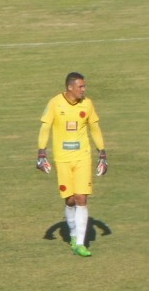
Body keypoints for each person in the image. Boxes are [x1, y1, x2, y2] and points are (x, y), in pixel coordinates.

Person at [36, 72, 107, 257]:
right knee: (70, 200)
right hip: (62, 159)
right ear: (70, 87)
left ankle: (79, 242)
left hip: (83, 157)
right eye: (81, 87)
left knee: (82, 199)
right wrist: (41, 152)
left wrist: (102, 153)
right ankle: (74, 234)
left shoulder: (87, 104)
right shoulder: (55, 103)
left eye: (84, 86)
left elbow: (95, 128)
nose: (84, 90)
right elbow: (45, 128)